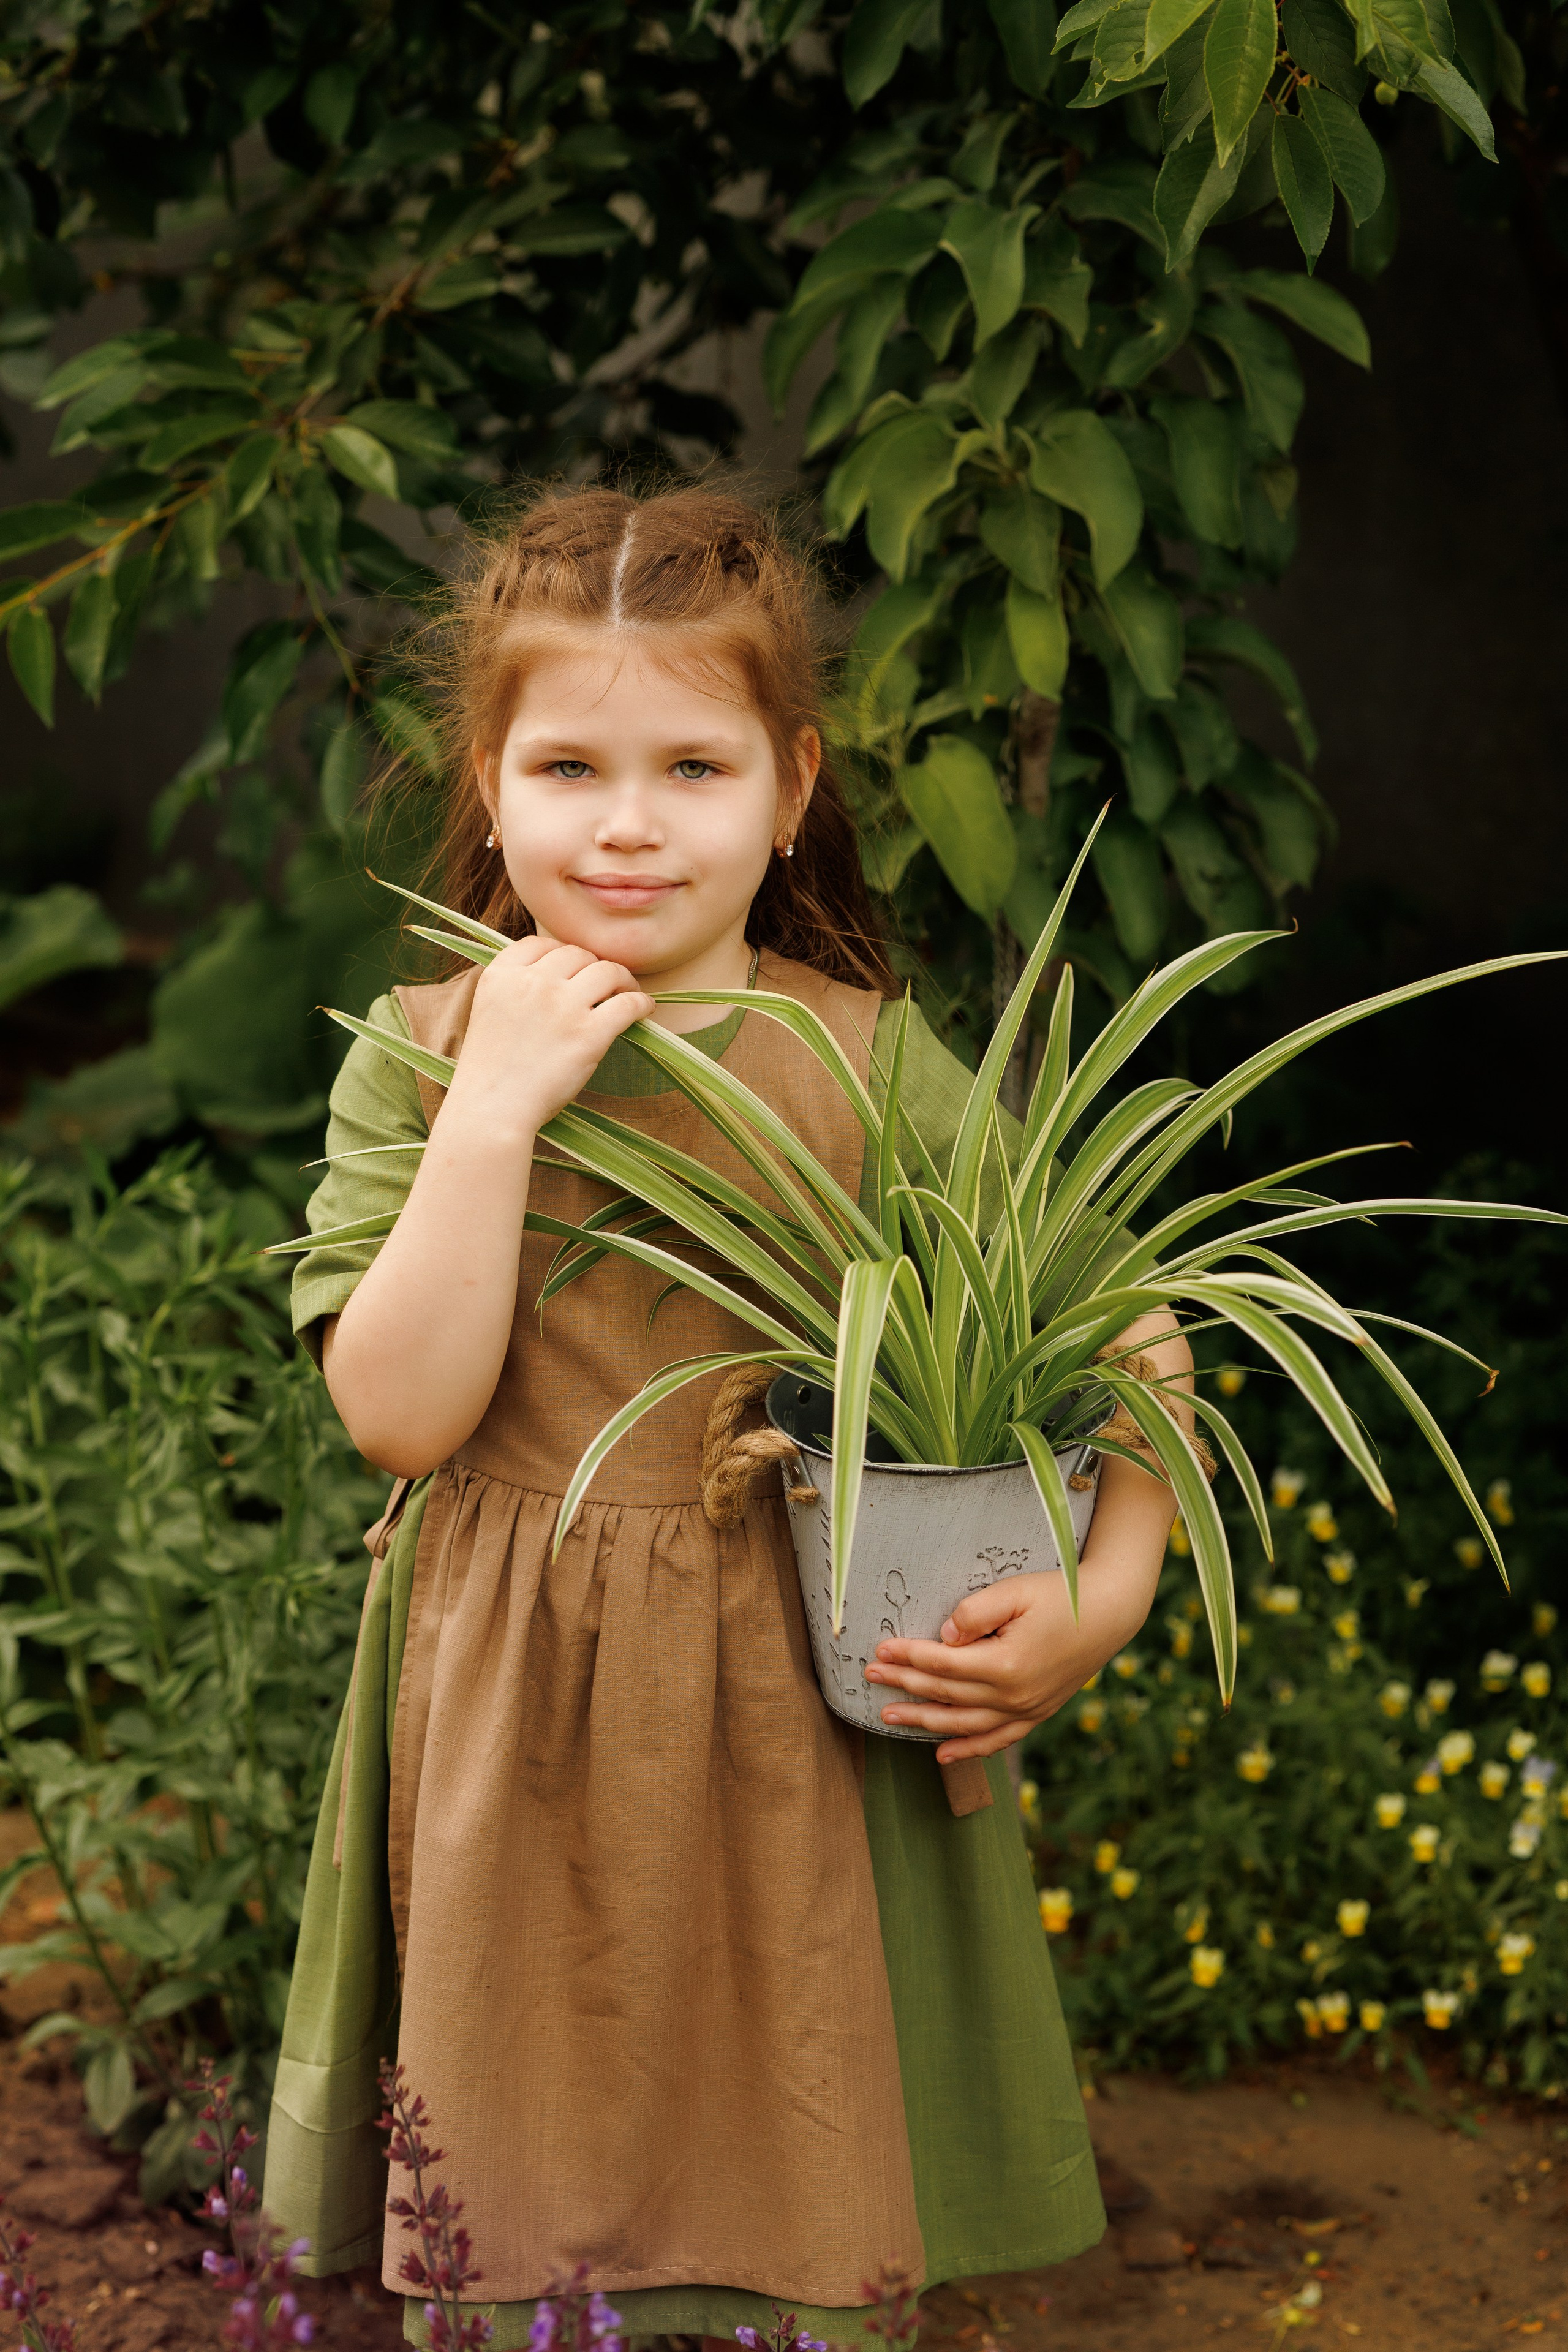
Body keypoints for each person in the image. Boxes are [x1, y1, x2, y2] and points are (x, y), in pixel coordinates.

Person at [263, 483, 1192, 2348]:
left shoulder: (862, 1060)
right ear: (490, 777)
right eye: (571, 766)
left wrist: (1098, 1607)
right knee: (519, 2137)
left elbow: (1137, 1335)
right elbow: (398, 1412)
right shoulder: (429, 1054)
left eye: (693, 767)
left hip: (796, 1689)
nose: (626, 824)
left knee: (799, 2108)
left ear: (789, 787)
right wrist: (498, 1116)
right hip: (513, 1703)